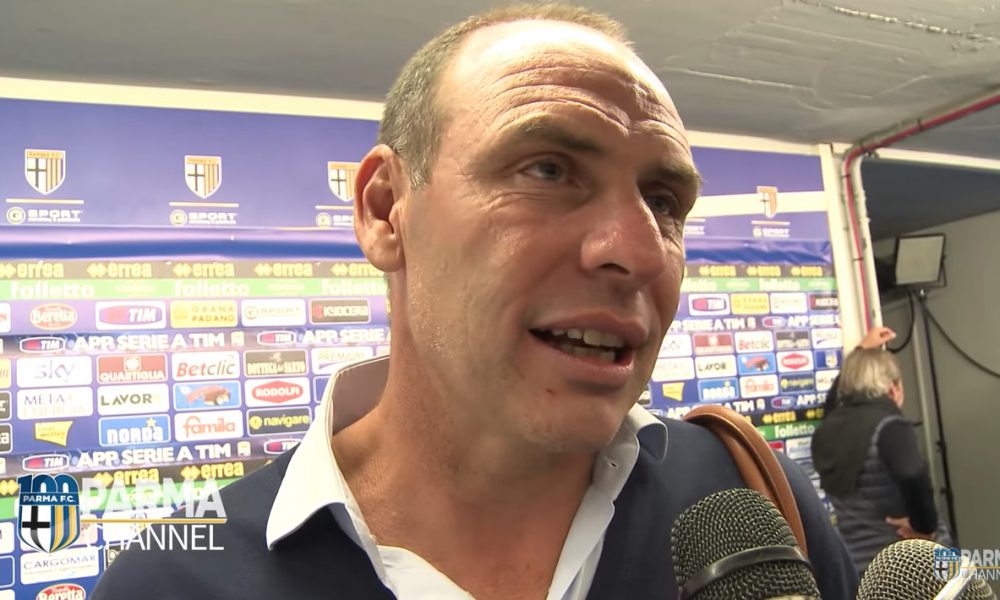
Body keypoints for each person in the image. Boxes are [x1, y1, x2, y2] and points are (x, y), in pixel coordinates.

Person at [94, 4, 858, 599]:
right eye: (548, 170)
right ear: (386, 210)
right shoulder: (172, 584)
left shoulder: (749, 502)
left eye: (664, 202)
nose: (639, 251)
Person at [811, 347, 942, 576]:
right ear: (893, 387)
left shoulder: (824, 433)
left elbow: (831, 406)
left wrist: (861, 349)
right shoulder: (891, 426)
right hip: (909, 562)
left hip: (859, 568)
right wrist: (925, 527)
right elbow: (912, 473)